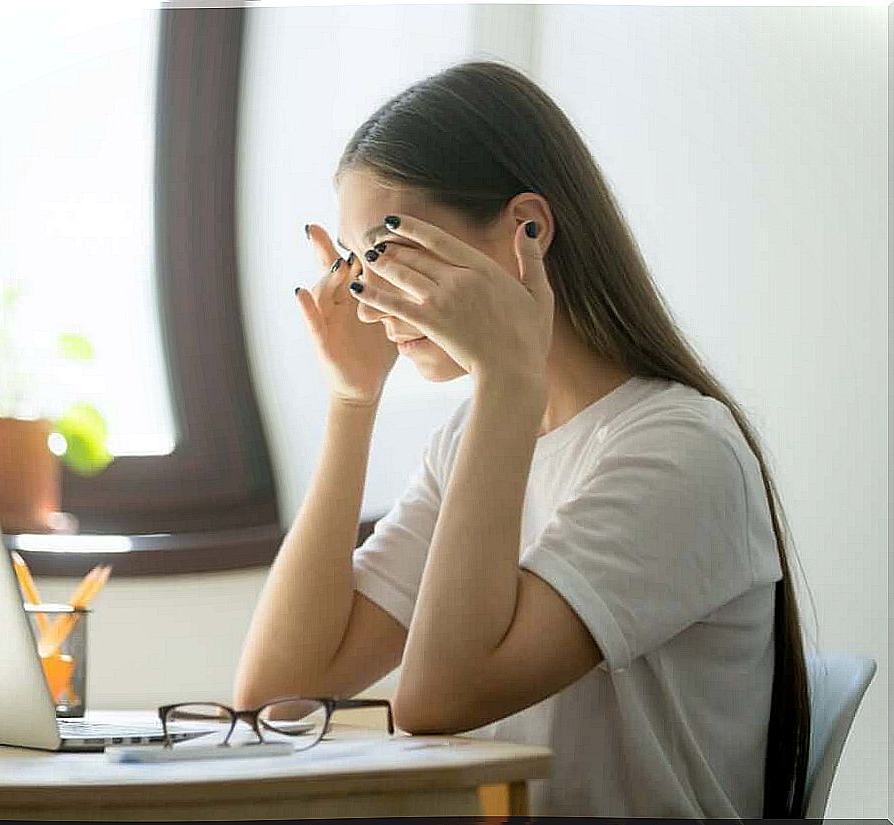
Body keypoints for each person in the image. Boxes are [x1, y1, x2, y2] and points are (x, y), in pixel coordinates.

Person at [232, 60, 809, 819]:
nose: (367, 298)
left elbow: (439, 700)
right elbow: (278, 694)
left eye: (387, 251)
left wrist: (508, 378)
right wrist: (350, 399)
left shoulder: (680, 449)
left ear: (526, 231)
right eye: (353, 263)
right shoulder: (476, 437)